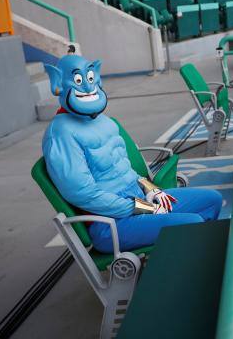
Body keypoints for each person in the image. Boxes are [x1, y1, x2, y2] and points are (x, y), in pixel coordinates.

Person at [42, 52, 223, 253]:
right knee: (193, 222)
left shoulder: (105, 121)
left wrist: (150, 189)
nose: (86, 86)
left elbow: (126, 170)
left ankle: (187, 256)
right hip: (109, 222)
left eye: (90, 78)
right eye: (78, 80)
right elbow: (83, 194)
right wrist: (145, 208)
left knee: (211, 201)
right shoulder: (60, 133)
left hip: (139, 198)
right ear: (58, 83)